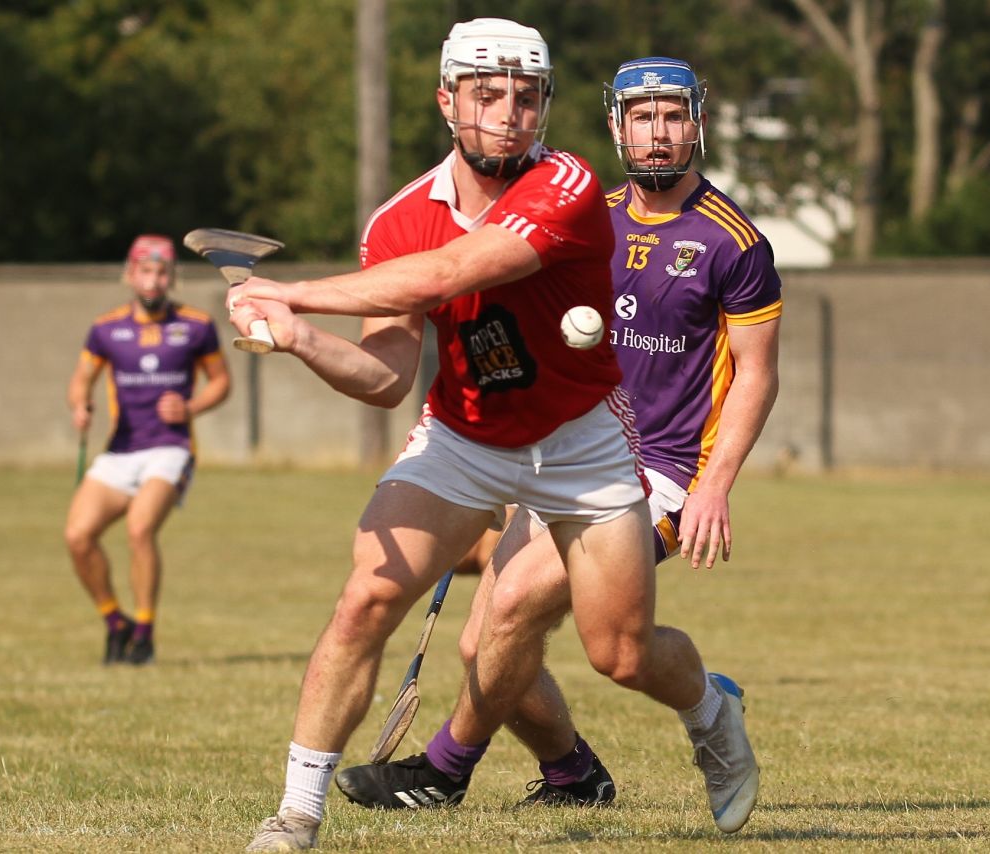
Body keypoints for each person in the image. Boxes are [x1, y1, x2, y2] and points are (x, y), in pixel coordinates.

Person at [225, 20, 727, 852]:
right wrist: (300, 340)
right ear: (446, 101)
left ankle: (713, 713)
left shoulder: (564, 181)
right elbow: (387, 378)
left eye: (526, 98)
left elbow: (457, 271)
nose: (509, 115)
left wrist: (296, 293)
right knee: (366, 599)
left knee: (620, 651)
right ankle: (296, 814)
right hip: (464, 435)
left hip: (582, 439)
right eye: (487, 96)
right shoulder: (397, 222)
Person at [333, 56, 781, 834]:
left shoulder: (731, 240)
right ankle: (576, 770)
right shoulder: (580, 213)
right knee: (516, 644)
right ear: (616, 126)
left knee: (554, 627)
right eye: (641, 117)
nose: (658, 132)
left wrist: (715, 486)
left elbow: (756, 377)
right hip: (569, 445)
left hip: (664, 470)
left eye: (672, 115)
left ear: (697, 123)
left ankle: (445, 772)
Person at [63, 234, 230, 666]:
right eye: (146, 271)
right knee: (78, 537)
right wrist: (79, 405)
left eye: (162, 272)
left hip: (170, 449)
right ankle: (114, 623)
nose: (154, 281)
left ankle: (145, 633)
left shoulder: (195, 325)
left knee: (139, 529)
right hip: (121, 450)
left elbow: (221, 382)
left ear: (171, 277)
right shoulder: (106, 329)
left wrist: (190, 407)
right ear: (130, 274)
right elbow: (81, 379)